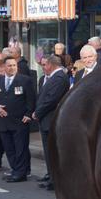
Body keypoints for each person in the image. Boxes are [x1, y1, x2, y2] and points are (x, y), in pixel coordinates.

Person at [0, 56, 35, 182]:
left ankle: (21, 173)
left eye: (14, 65)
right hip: (3, 121)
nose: (12, 68)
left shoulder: (25, 80)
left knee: (20, 148)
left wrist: (29, 114)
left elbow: (31, 99)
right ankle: (15, 169)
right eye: (9, 65)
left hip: (20, 121)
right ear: (4, 67)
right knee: (9, 148)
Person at [32, 54, 70, 191]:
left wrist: (38, 112)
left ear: (50, 64)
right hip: (46, 120)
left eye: (45, 65)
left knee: (52, 152)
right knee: (49, 152)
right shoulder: (51, 78)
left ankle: (55, 180)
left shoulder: (59, 78)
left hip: (51, 119)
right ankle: (51, 176)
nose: (43, 68)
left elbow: (51, 99)